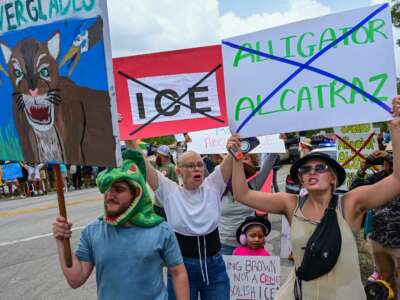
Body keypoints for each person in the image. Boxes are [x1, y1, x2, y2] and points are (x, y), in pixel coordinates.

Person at [227, 97, 400, 300]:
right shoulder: (291, 204)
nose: (312, 172)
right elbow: (242, 194)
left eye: (320, 168)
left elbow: (397, 180)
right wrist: (236, 156)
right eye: (305, 169)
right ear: (300, 179)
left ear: (333, 177)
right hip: (301, 293)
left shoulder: (350, 202)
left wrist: (396, 130)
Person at [52, 150, 189, 300]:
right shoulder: (93, 231)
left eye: (119, 190)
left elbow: (178, 272)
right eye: (107, 189)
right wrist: (61, 239)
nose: (110, 196)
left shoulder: (160, 230)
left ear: (136, 193)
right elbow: (75, 279)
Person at [143, 148, 233, 300]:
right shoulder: (170, 192)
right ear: (179, 171)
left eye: (199, 164)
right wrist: (131, 141)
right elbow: (144, 165)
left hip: (215, 268)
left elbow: (231, 157)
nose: (197, 168)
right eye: (190, 166)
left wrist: (234, 145)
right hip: (181, 269)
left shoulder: (213, 186)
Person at [350, 147, 400, 298]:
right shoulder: (379, 177)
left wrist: (388, 155)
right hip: (379, 239)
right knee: (386, 280)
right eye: (384, 162)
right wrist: (362, 170)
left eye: (390, 161)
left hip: (398, 241)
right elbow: (354, 191)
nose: (388, 165)